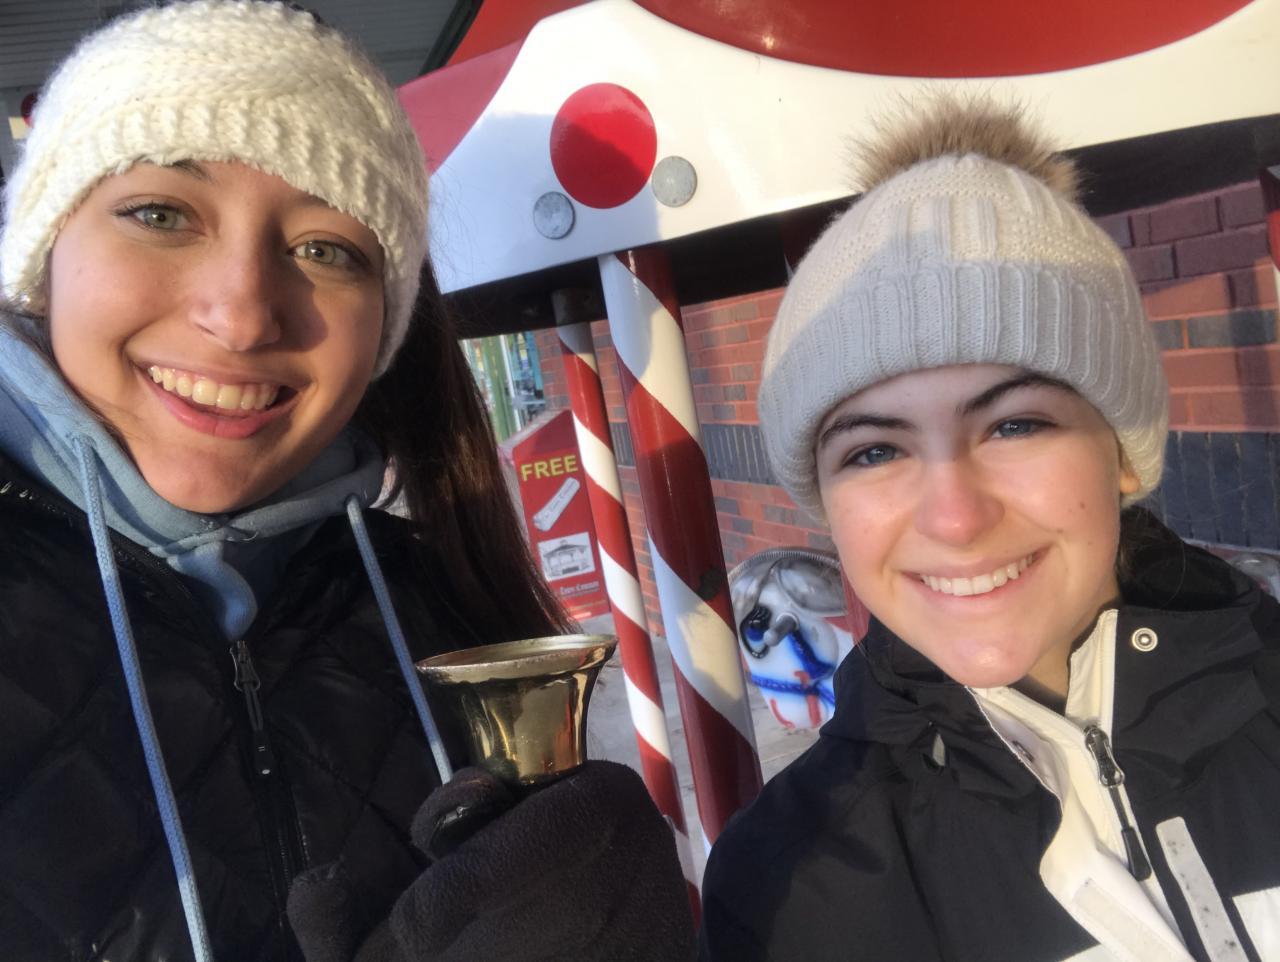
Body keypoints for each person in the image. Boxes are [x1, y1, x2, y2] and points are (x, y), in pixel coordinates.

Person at [0, 3, 694, 960]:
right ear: (42, 258)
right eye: (161, 214)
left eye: (325, 250)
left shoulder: (441, 604)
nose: (244, 314)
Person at [699, 97, 1280, 961]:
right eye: (874, 451)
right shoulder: (789, 891)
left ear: (1123, 454)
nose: (956, 518)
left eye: (1015, 425)